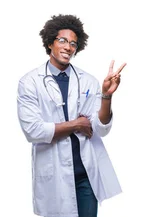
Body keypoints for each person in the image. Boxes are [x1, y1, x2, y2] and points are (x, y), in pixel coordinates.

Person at [16, 14, 126, 217]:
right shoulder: (30, 82)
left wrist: (106, 96)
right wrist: (76, 124)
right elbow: (33, 131)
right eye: (63, 40)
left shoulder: (88, 81)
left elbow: (99, 128)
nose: (68, 47)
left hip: (86, 174)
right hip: (54, 174)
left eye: (73, 43)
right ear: (50, 43)